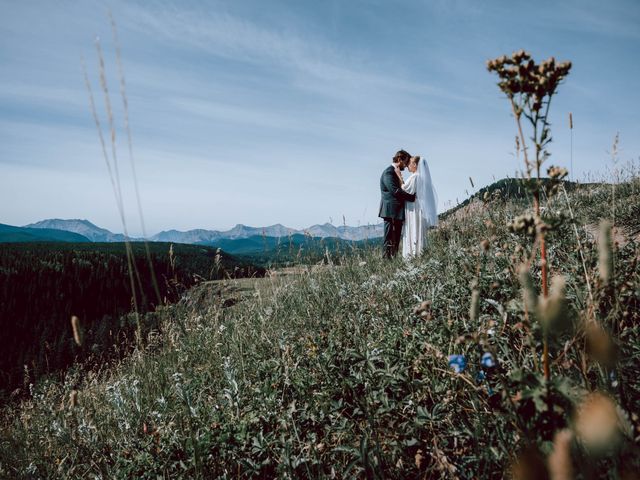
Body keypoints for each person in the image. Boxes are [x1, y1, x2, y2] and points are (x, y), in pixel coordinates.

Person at [378, 150, 416, 258]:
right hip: (390, 212)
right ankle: (386, 262)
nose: (407, 165)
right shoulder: (388, 172)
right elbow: (395, 191)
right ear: (399, 159)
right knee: (389, 238)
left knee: (396, 239)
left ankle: (393, 261)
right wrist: (411, 198)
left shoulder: (395, 172)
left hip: (397, 212)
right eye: (406, 161)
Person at [400, 155, 438, 258]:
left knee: (413, 227)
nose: (408, 166)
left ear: (415, 165)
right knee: (418, 228)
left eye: (410, 164)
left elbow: (404, 189)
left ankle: (412, 253)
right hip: (419, 206)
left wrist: (399, 177)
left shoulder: (415, 176)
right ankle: (420, 252)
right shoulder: (422, 177)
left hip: (413, 208)